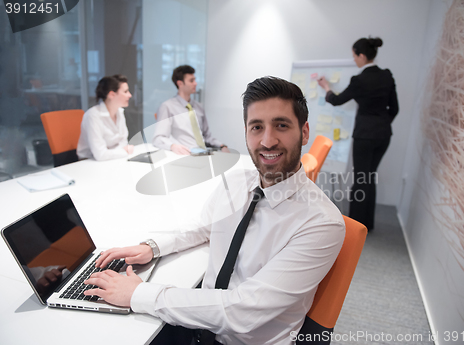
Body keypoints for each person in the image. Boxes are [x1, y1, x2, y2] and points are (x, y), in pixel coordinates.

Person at [83, 76, 345, 345]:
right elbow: (203, 226)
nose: (267, 141)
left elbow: (243, 311)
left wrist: (139, 294)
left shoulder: (321, 222)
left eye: (281, 125)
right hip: (199, 323)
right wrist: (152, 247)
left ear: (304, 132)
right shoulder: (237, 182)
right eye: (256, 127)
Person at [318, 37, 399, 231]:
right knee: (369, 177)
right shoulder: (387, 76)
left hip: (364, 135)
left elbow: (337, 100)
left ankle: (355, 227)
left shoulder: (360, 80)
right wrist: (381, 124)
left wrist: (327, 88)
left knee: (361, 179)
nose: (354, 59)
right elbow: (394, 109)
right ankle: (367, 224)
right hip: (383, 135)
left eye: (354, 55)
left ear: (362, 55)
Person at [153, 65, 229, 155]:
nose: (195, 83)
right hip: (184, 154)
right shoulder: (167, 107)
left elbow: (206, 137)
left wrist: (222, 146)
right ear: (180, 84)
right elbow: (158, 138)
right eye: (191, 81)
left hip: (204, 153)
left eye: (195, 80)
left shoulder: (199, 107)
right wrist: (173, 146)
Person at [77, 74, 134, 161]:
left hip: (112, 160)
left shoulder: (120, 112)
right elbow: (100, 154)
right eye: (125, 92)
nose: (130, 95)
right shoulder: (93, 115)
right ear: (112, 94)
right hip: (89, 162)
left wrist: (118, 152)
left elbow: (123, 142)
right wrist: (124, 151)